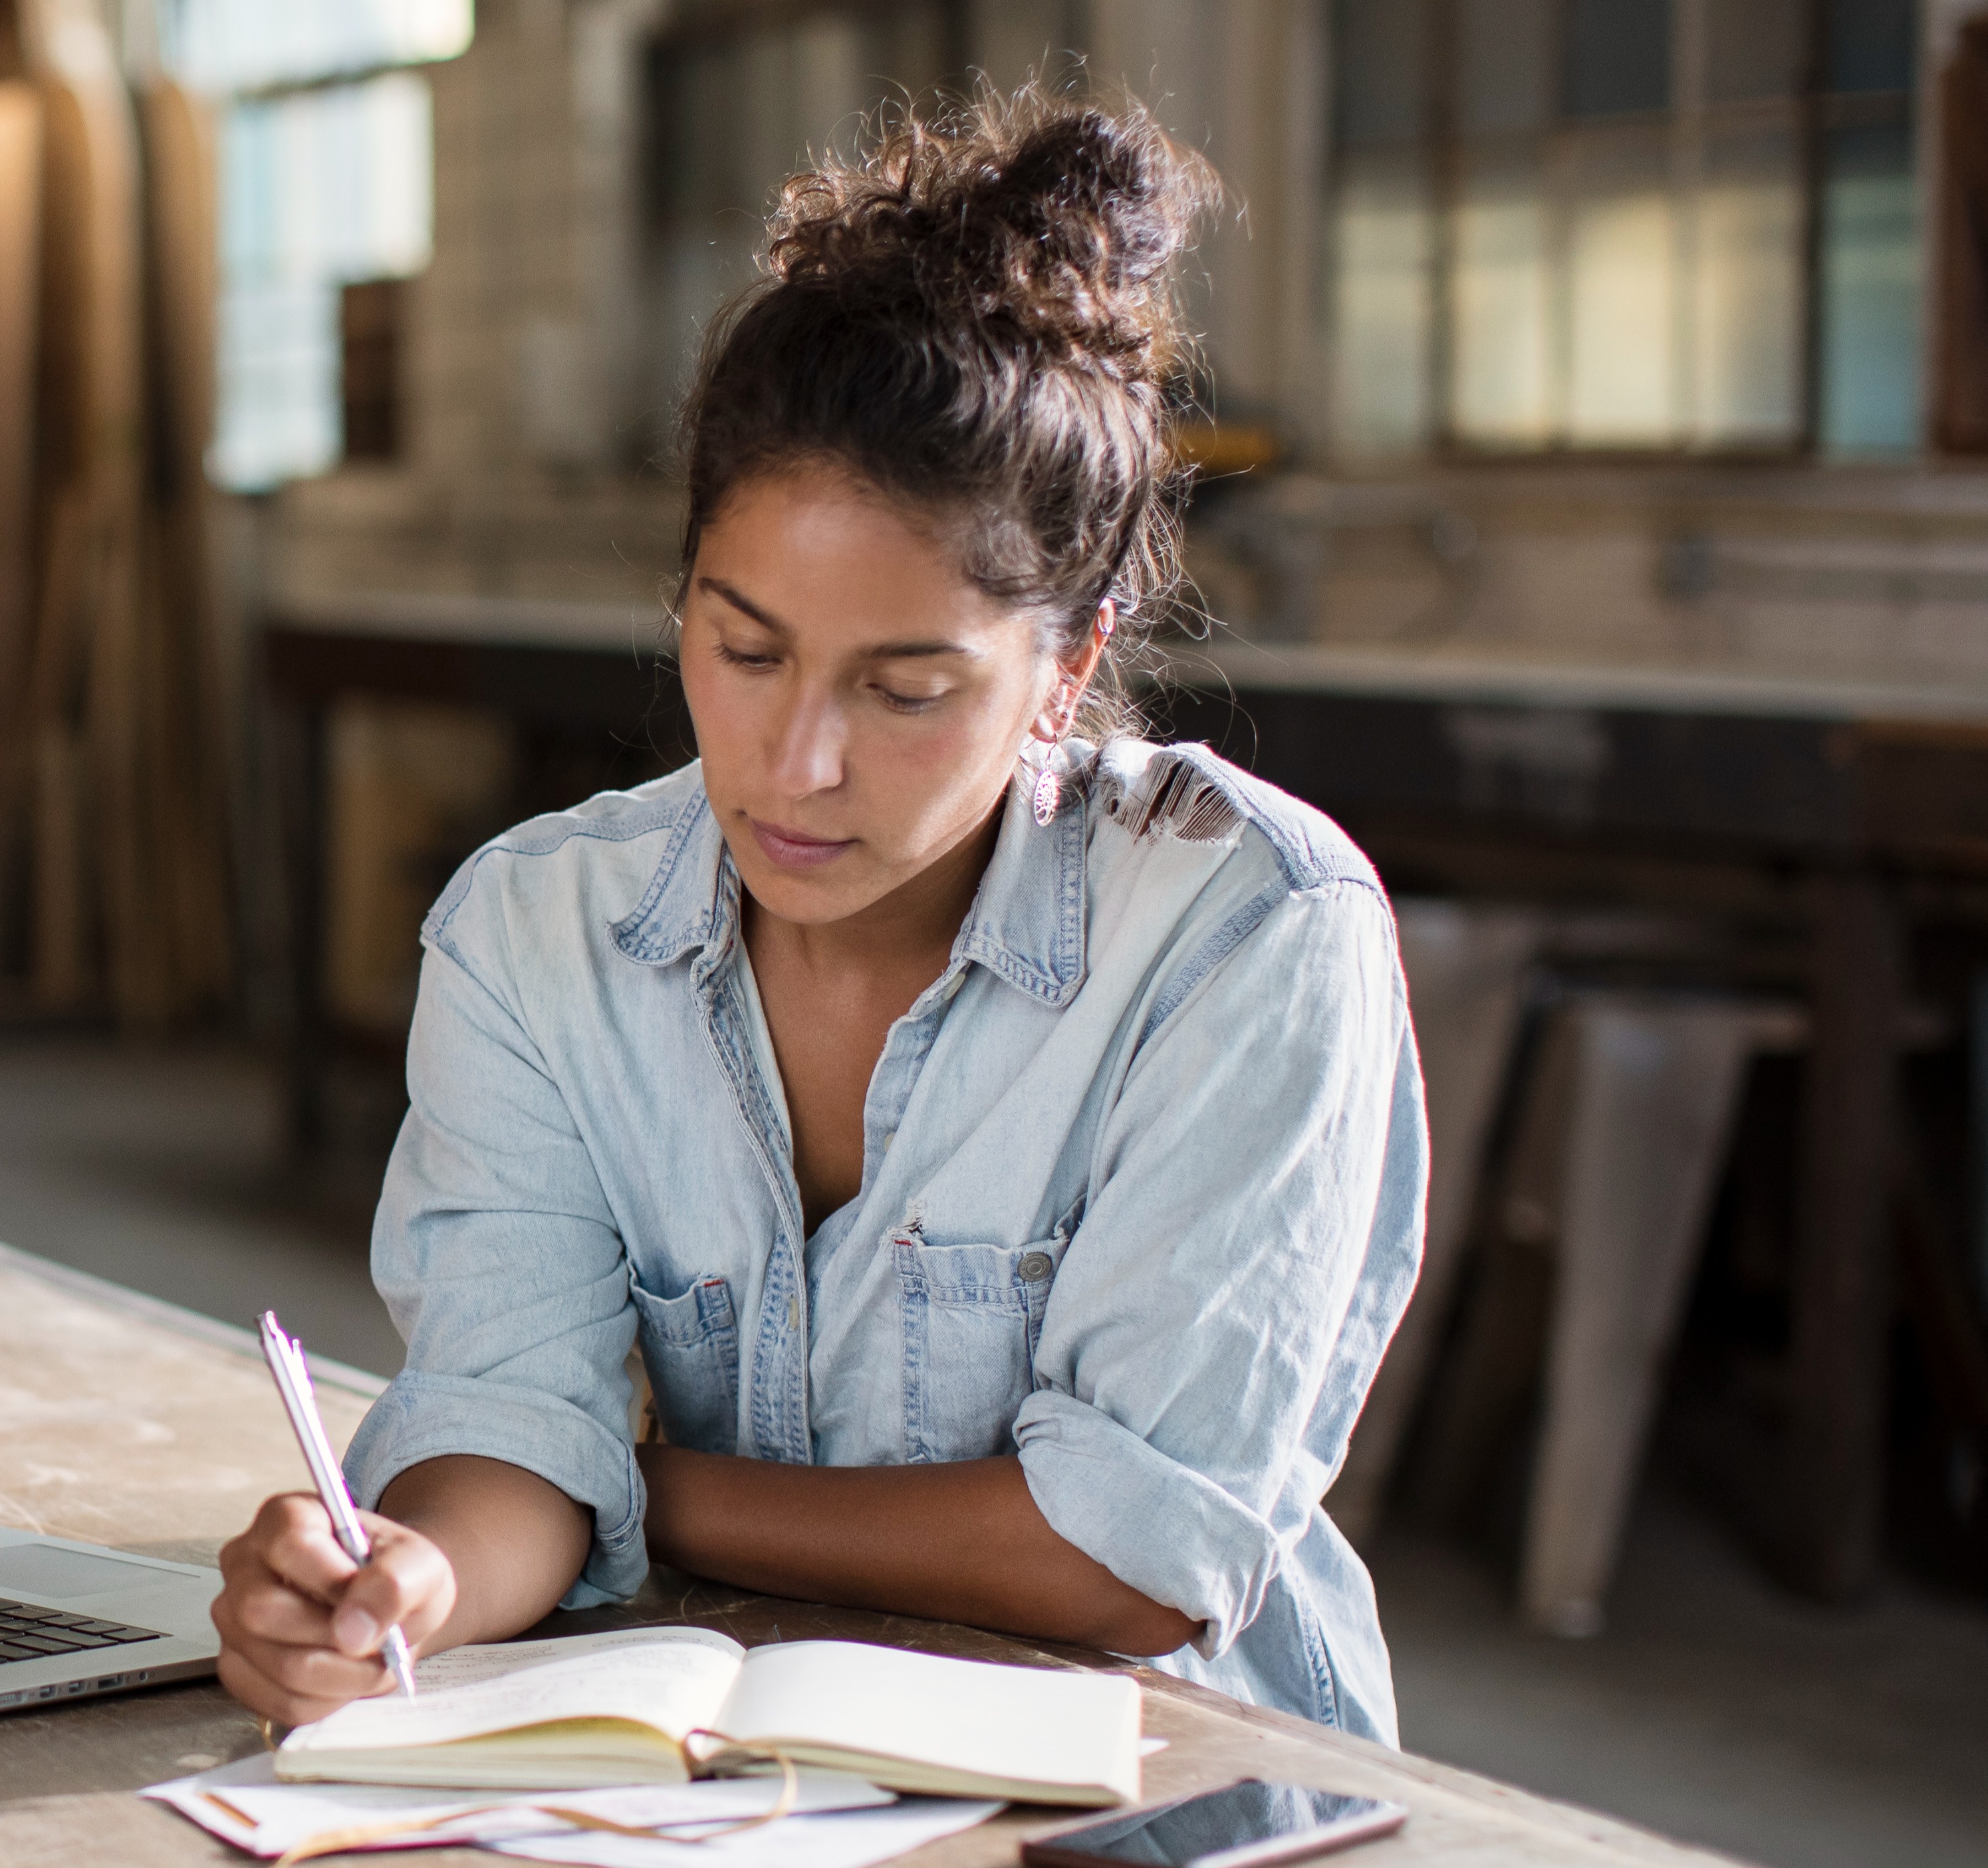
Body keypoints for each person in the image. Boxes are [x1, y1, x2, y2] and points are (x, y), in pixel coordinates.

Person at [212, 92, 1424, 1742]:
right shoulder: (535, 935)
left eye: (906, 687)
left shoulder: (1250, 933)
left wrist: (628, 1491)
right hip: (725, 1760)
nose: (796, 763)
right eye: (746, 647)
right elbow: (507, 1416)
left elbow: (1132, 1562)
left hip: (1158, 1776)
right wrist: (410, 1580)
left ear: (1065, 666)